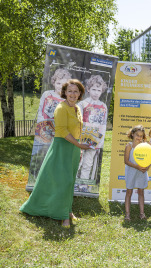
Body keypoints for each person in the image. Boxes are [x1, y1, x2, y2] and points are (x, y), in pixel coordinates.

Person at [20, 79, 90, 227]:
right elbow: (62, 131)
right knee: (63, 181)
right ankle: (63, 216)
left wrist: (78, 148)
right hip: (61, 147)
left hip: (73, 149)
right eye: (69, 91)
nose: (72, 94)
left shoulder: (77, 108)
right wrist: (79, 145)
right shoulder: (61, 108)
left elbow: (76, 130)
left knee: (70, 180)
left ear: (80, 93)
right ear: (64, 92)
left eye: (75, 91)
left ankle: (68, 210)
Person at [76, 75, 108, 180]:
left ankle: (83, 184)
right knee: (77, 161)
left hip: (94, 140)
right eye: (93, 89)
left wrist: (100, 142)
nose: (96, 92)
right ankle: (73, 182)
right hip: (81, 139)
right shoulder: (82, 104)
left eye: (98, 90)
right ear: (88, 89)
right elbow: (77, 123)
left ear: (102, 91)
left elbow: (103, 125)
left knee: (88, 163)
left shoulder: (103, 106)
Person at [34, 68, 72, 144]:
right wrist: (40, 124)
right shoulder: (47, 94)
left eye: (64, 84)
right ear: (54, 83)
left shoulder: (68, 100)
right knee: (41, 152)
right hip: (43, 130)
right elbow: (40, 110)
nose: (61, 87)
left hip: (58, 133)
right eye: (58, 83)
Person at [124, 125, 150, 221]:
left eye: (141, 136)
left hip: (141, 172)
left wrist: (147, 166)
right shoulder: (129, 146)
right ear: (132, 134)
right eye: (137, 135)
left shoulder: (144, 147)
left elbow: (149, 157)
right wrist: (137, 167)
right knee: (129, 192)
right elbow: (126, 161)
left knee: (141, 192)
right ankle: (127, 214)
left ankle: (142, 213)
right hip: (131, 172)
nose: (139, 137)